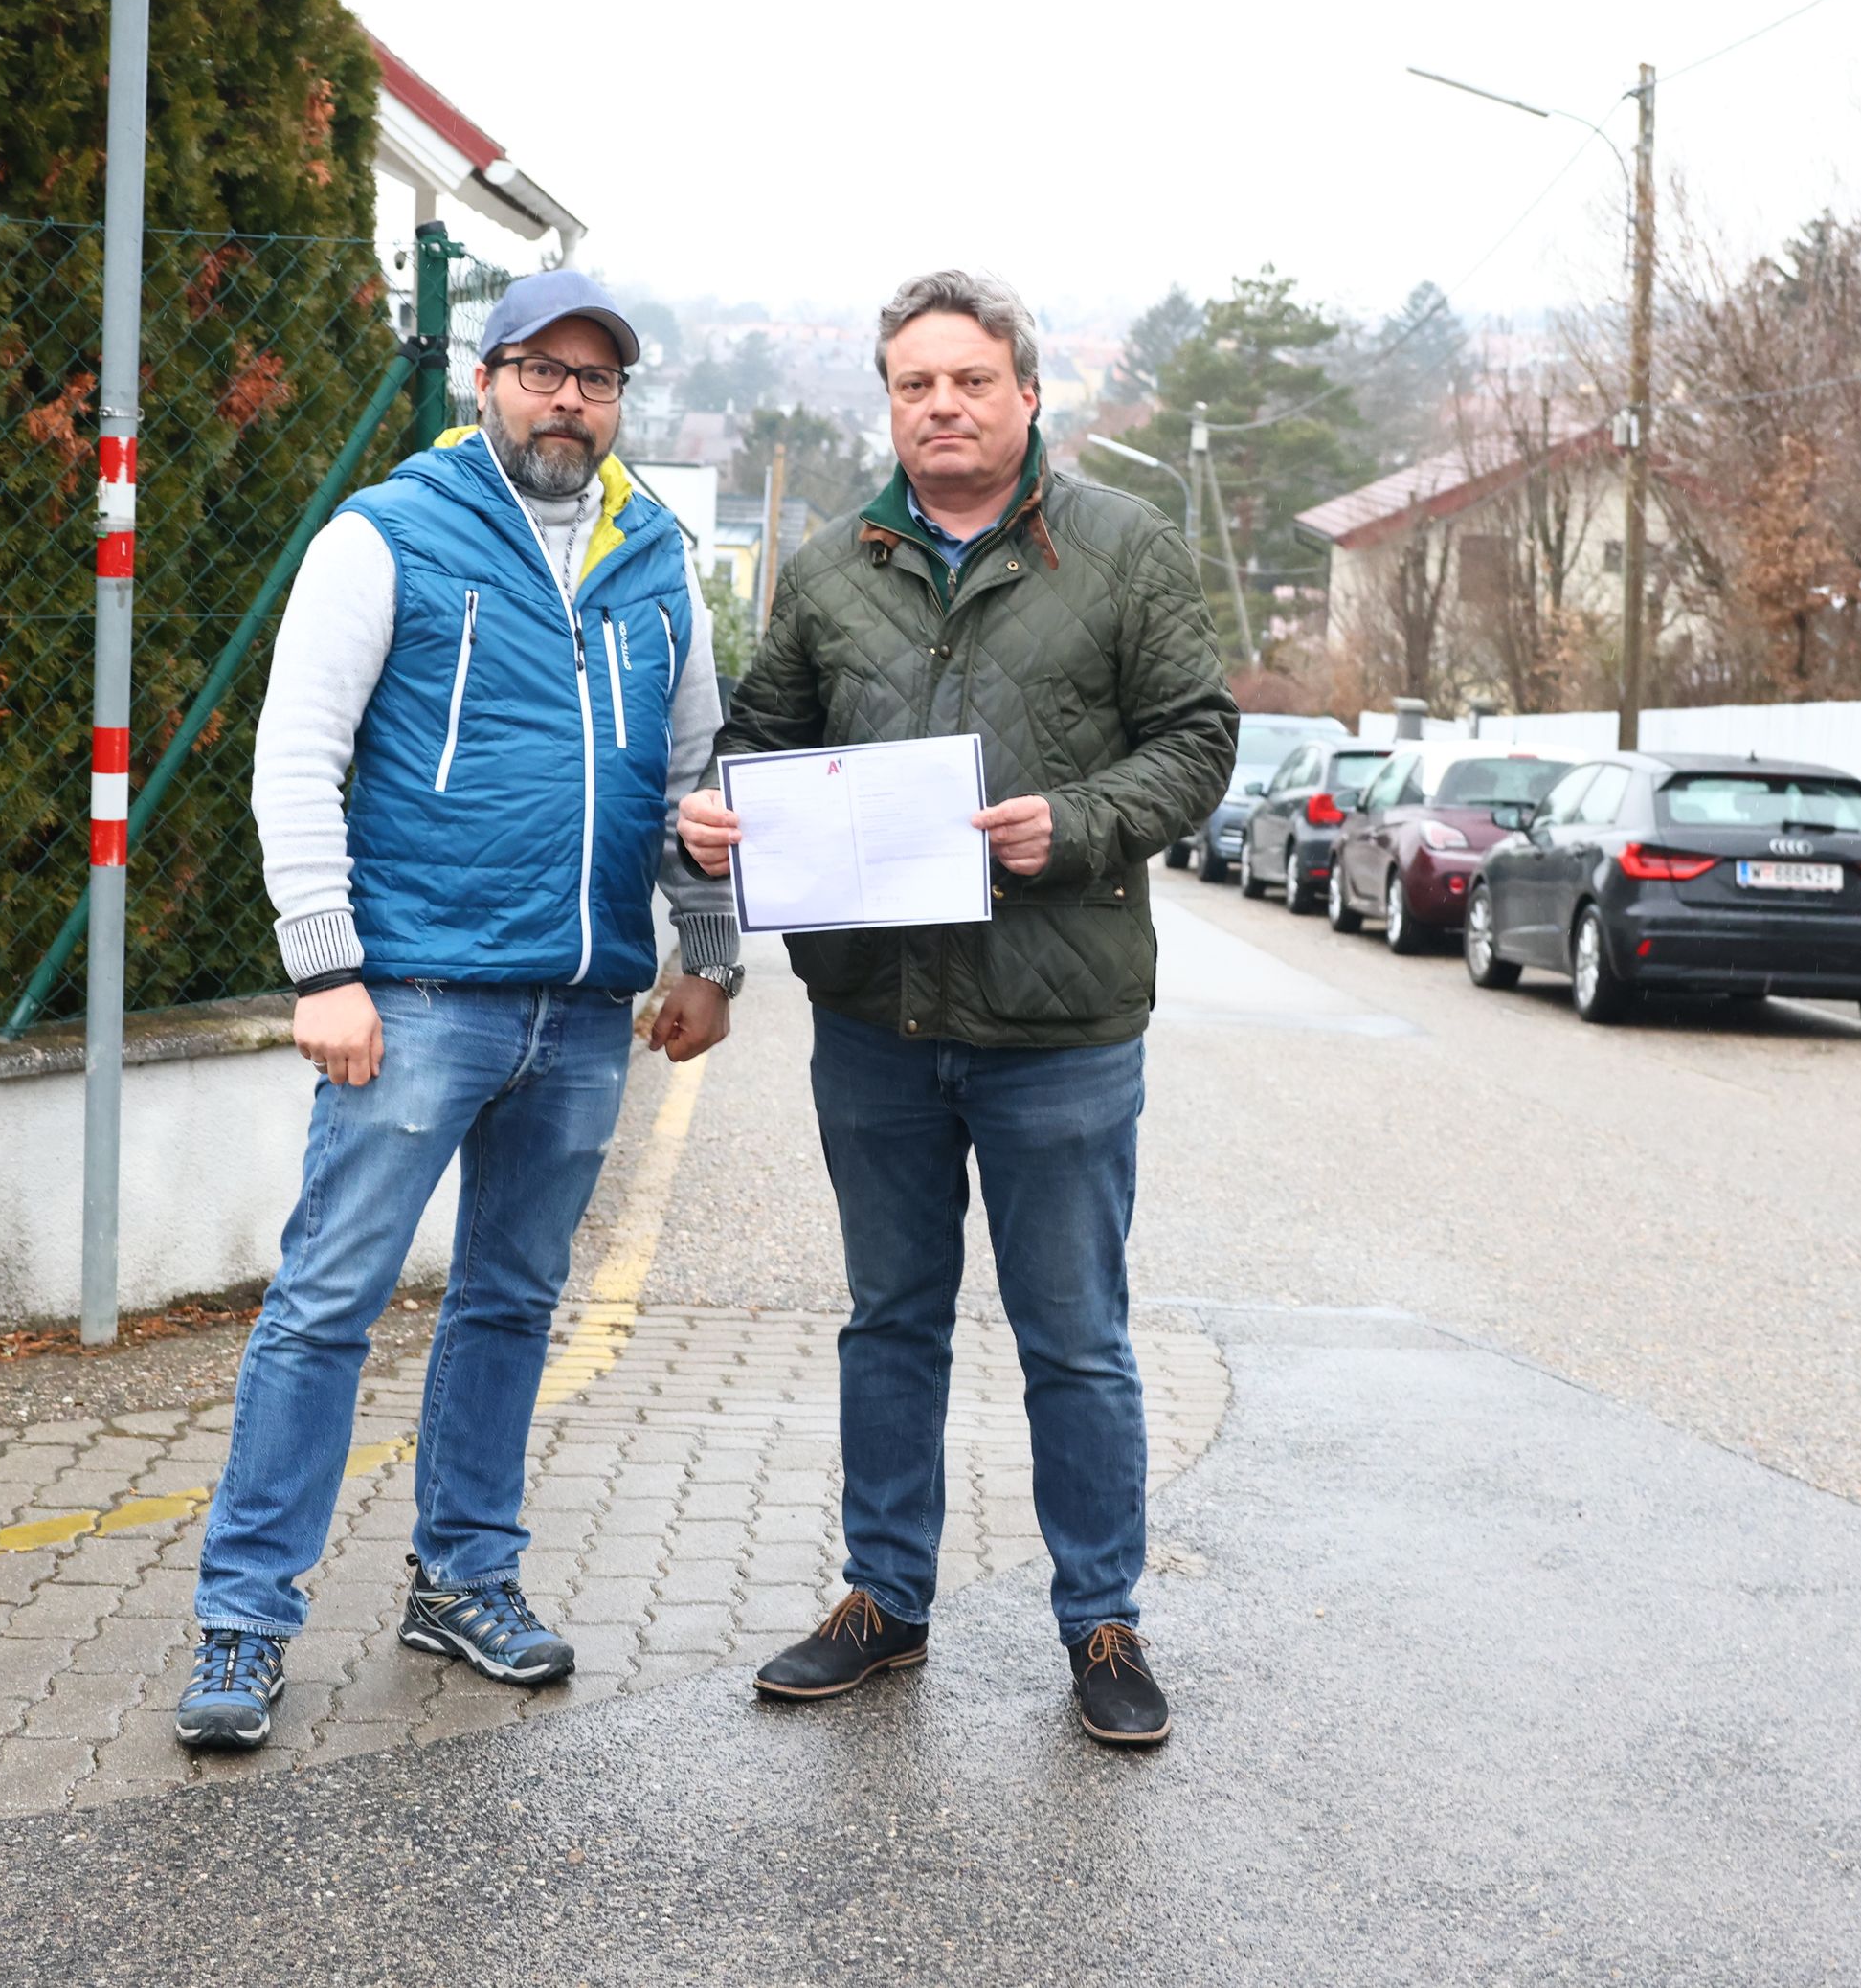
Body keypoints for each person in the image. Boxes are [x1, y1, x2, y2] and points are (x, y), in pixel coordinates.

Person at [172, 271, 743, 1752]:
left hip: (583, 1004)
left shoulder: (655, 557)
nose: (571, 399)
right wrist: (326, 970)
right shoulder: (389, 533)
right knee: (326, 1307)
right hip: (416, 993)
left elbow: (699, 783)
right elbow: (295, 755)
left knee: (510, 1304)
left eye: (598, 381)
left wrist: (705, 956)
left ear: (621, 407)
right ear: (483, 380)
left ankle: (466, 1578)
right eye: (543, 371)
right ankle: (245, 1621)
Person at [676, 269, 1233, 1749]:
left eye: (969, 381)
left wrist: (1089, 821)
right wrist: (719, 818)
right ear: (891, 401)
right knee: (891, 1323)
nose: (942, 407)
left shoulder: (1121, 551)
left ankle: (1103, 1621)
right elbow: (759, 739)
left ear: (1027, 393)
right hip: (875, 1023)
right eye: (915, 385)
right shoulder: (831, 567)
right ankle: (885, 1601)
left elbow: (1197, 740)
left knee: (1076, 1338)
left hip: (1060, 1033)